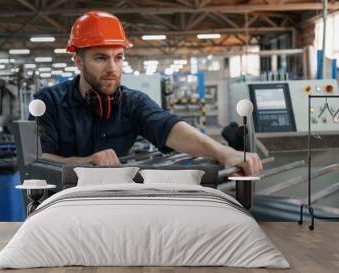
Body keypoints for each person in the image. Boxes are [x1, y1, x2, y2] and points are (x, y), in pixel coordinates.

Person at [32, 11, 262, 176]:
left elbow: (170, 128)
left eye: (118, 57)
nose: (112, 68)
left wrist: (224, 153)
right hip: (61, 207)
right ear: (79, 62)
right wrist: (86, 162)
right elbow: (38, 158)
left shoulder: (132, 102)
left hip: (114, 202)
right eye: (101, 57)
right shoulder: (49, 102)